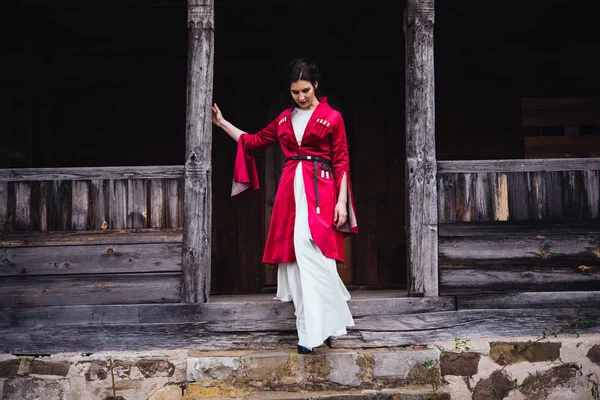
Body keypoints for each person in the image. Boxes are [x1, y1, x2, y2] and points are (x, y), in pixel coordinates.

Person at [212, 58, 358, 354]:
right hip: (291, 191)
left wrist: (342, 202)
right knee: (293, 260)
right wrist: (222, 123)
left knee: (313, 249)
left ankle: (325, 322)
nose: (301, 97)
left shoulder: (332, 117)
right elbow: (251, 142)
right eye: (295, 92)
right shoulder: (283, 120)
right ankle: (309, 329)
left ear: (316, 85)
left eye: (305, 90)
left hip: (322, 189)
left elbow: (342, 160)